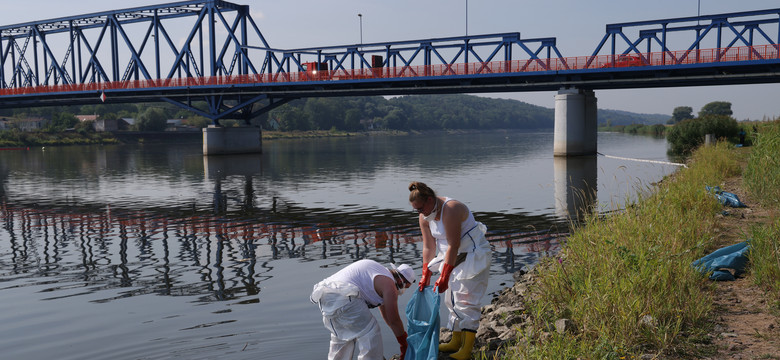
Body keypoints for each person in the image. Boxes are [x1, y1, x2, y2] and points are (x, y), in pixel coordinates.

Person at [408, 181, 491, 360]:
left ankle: (467, 349)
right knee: (451, 299)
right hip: (450, 257)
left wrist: (444, 276)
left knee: (466, 300)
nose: (420, 213)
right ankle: (455, 340)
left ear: (430, 200)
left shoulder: (451, 208)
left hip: (472, 255)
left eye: (421, 208)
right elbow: (429, 247)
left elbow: (454, 244)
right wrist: (426, 274)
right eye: (416, 210)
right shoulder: (425, 217)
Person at [310, 259, 415, 360]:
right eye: (406, 286)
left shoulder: (379, 274)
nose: (403, 290)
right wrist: (404, 344)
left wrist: (402, 340)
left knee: (342, 337)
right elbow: (394, 320)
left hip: (324, 295)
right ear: (402, 281)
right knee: (370, 332)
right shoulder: (390, 285)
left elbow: (388, 317)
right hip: (344, 295)